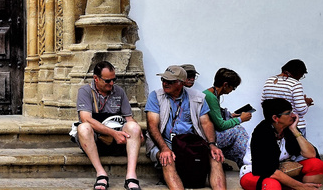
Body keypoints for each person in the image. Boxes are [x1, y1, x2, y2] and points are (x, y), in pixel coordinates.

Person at [145, 65, 225, 190]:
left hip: (189, 142)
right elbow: (152, 126)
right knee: (167, 159)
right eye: (163, 80)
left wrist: (212, 144)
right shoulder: (155, 96)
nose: (165, 83)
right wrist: (164, 148)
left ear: (181, 83)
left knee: (216, 157)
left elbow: (206, 123)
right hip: (164, 142)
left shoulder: (197, 97)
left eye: (169, 81)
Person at [74, 59, 143, 190]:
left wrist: (138, 131)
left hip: (117, 140)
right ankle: (101, 174)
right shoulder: (85, 91)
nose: (111, 83)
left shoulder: (119, 91)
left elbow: (129, 118)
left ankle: (131, 176)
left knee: (134, 127)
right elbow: (85, 118)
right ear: (96, 78)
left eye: (114, 80)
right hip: (94, 140)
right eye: (107, 81)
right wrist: (113, 133)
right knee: (83, 127)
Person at [240, 97, 323, 190]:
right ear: (275, 118)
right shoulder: (262, 133)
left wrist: (295, 130)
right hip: (257, 173)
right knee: (272, 185)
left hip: (282, 170)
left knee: (317, 165)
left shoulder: (287, 129)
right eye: (288, 113)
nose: (293, 115)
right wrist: (301, 187)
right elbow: (270, 171)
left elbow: (311, 154)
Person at [202, 67, 253, 166]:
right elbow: (220, 125)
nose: (232, 90)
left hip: (209, 133)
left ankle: (246, 164)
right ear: (225, 85)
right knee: (238, 130)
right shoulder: (210, 97)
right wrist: (240, 119)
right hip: (208, 136)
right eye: (233, 88)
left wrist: (230, 115)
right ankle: (249, 163)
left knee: (236, 143)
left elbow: (214, 115)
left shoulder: (211, 93)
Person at [261, 60, 313, 136]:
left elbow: (264, 103)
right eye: (301, 76)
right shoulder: (295, 84)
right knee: (296, 148)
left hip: (275, 126)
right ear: (298, 72)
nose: (300, 78)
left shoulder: (269, 80)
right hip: (294, 126)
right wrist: (306, 103)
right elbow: (301, 110)